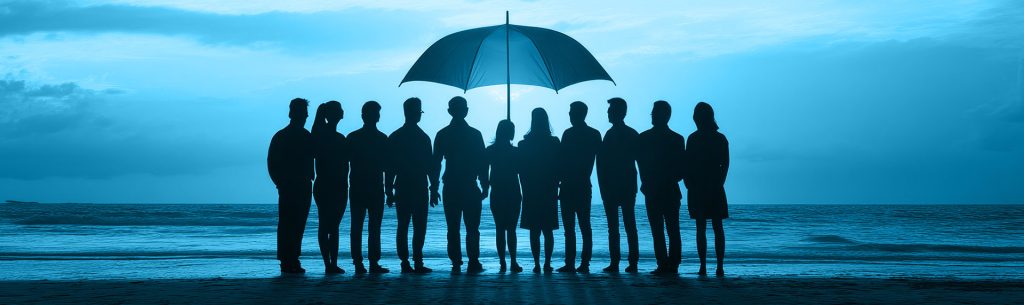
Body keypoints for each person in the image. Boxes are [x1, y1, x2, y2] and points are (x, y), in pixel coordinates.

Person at [431, 96, 489, 274]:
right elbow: (482, 162)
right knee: (472, 227)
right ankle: (472, 261)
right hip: (469, 186)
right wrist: (485, 184)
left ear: (450, 111)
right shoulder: (475, 134)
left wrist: (433, 187)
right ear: (466, 111)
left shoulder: (443, 134)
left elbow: (436, 163)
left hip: (451, 186)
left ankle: (456, 261)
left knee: (453, 227)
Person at [386, 98, 436, 274]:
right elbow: (430, 167)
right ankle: (416, 260)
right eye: (419, 112)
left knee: (404, 224)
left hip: (403, 186)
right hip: (419, 186)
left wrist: (388, 189)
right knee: (418, 225)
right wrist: (434, 188)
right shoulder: (423, 138)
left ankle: (406, 261)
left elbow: (390, 167)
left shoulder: (395, 137)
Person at [636, 100, 685, 275]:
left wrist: (647, 182)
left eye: (655, 112)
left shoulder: (646, 138)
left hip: (659, 189)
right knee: (668, 229)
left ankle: (668, 263)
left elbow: (641, 164)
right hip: (663, 189)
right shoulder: (676, 139)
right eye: (653, 112)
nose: (652, 115)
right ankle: (668, 263)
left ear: (665, 115)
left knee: (665, 229)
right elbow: (641, 164)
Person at [267, 98, 314, 274]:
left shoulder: (304, 135)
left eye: (305, 113)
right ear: (293, 113)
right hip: (290, 186)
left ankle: (292, 258)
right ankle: (287, 260)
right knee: (289, 223)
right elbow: (272, 163)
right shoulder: (282, 136)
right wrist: (281, 183)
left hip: (301, 185)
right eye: (303, 112)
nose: (305, 116)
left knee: (297, 223)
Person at [684, 102, 730, 278]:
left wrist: (689, 182)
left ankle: (706, 266)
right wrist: (719, 182)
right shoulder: (718, 138)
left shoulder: (695, 138)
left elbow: (688, 164)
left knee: (702, 227)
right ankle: (716, 266)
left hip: (702, 187)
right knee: (715, 227)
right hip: (710, 186)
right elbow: (725, 164)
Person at [596, 97, 641, 273]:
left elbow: (602, 163)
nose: (608, 113)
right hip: (621, 185)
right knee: (624, 225)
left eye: (611, 110)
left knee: (619, 226)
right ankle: (623, 261)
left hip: (619, 185)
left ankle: (624, 261)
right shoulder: (626, 133)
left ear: (619, 112)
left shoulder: (617, 134)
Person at [556, 102, 601, 273]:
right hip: (581, 185)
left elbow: (561, 160)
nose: (569, 115)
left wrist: (558, 181)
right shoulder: (594, 134)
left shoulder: (568, 134)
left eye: (571, 112)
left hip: (570, 185)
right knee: (583, 226)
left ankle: (572, 263)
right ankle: (582, 263)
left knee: (572, 228)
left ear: (578, 114)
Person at [348, 101, 389, 274]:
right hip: (370, 187)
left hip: (361, 186)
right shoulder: (381, 139)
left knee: (359, 226)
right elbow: (388, 167)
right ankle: (369, 263)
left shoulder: (353, 137)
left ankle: (361, 263)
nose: (376, 116)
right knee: (372, 226)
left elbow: (387, 167)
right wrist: (389, 189)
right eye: (375, 113)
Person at [518, 108, 560, 274]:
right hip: (549, 190)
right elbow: (558, 168)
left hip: (531, 190)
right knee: (548, 230)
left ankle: (537, 263)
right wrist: (556, 185)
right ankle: (547, 263)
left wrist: (524, 188)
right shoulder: (554, 142)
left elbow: (521, 170)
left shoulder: (524, 144)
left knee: (534, 230)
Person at [312, 101, 348, 274]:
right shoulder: (323, 135)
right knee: (329, 226)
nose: (343, 112)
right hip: (330, 185)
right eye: (340, 110)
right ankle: (329, 263)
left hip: (336, 185)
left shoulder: (338, 138)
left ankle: (331, 263)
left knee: (330, 226)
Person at [486, 119, 523, 273]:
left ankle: (503, 262)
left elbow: (483, 170)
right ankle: (512, 261)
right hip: (512, 192)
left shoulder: (491, 150)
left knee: (500, 228)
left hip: (498, 192)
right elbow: (522, 172)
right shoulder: (515, 152)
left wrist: (485, 186)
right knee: (510, 229)